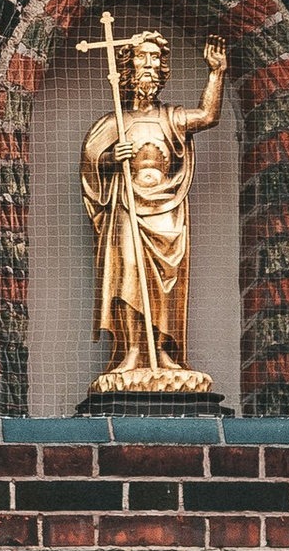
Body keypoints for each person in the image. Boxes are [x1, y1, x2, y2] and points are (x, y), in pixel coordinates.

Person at [80, 24, 228, 398]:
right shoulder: (114, 121)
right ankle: (130, 353)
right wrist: (112, 158)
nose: (150, 64)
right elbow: (89, 163)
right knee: (129, 273)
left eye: (156, 58)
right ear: (128, 69)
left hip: (167, 209)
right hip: (127, 208)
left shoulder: (171, 117)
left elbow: (208, 116)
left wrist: (217, 72)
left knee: (167, 282)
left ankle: (162, 352)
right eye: (143, 57)